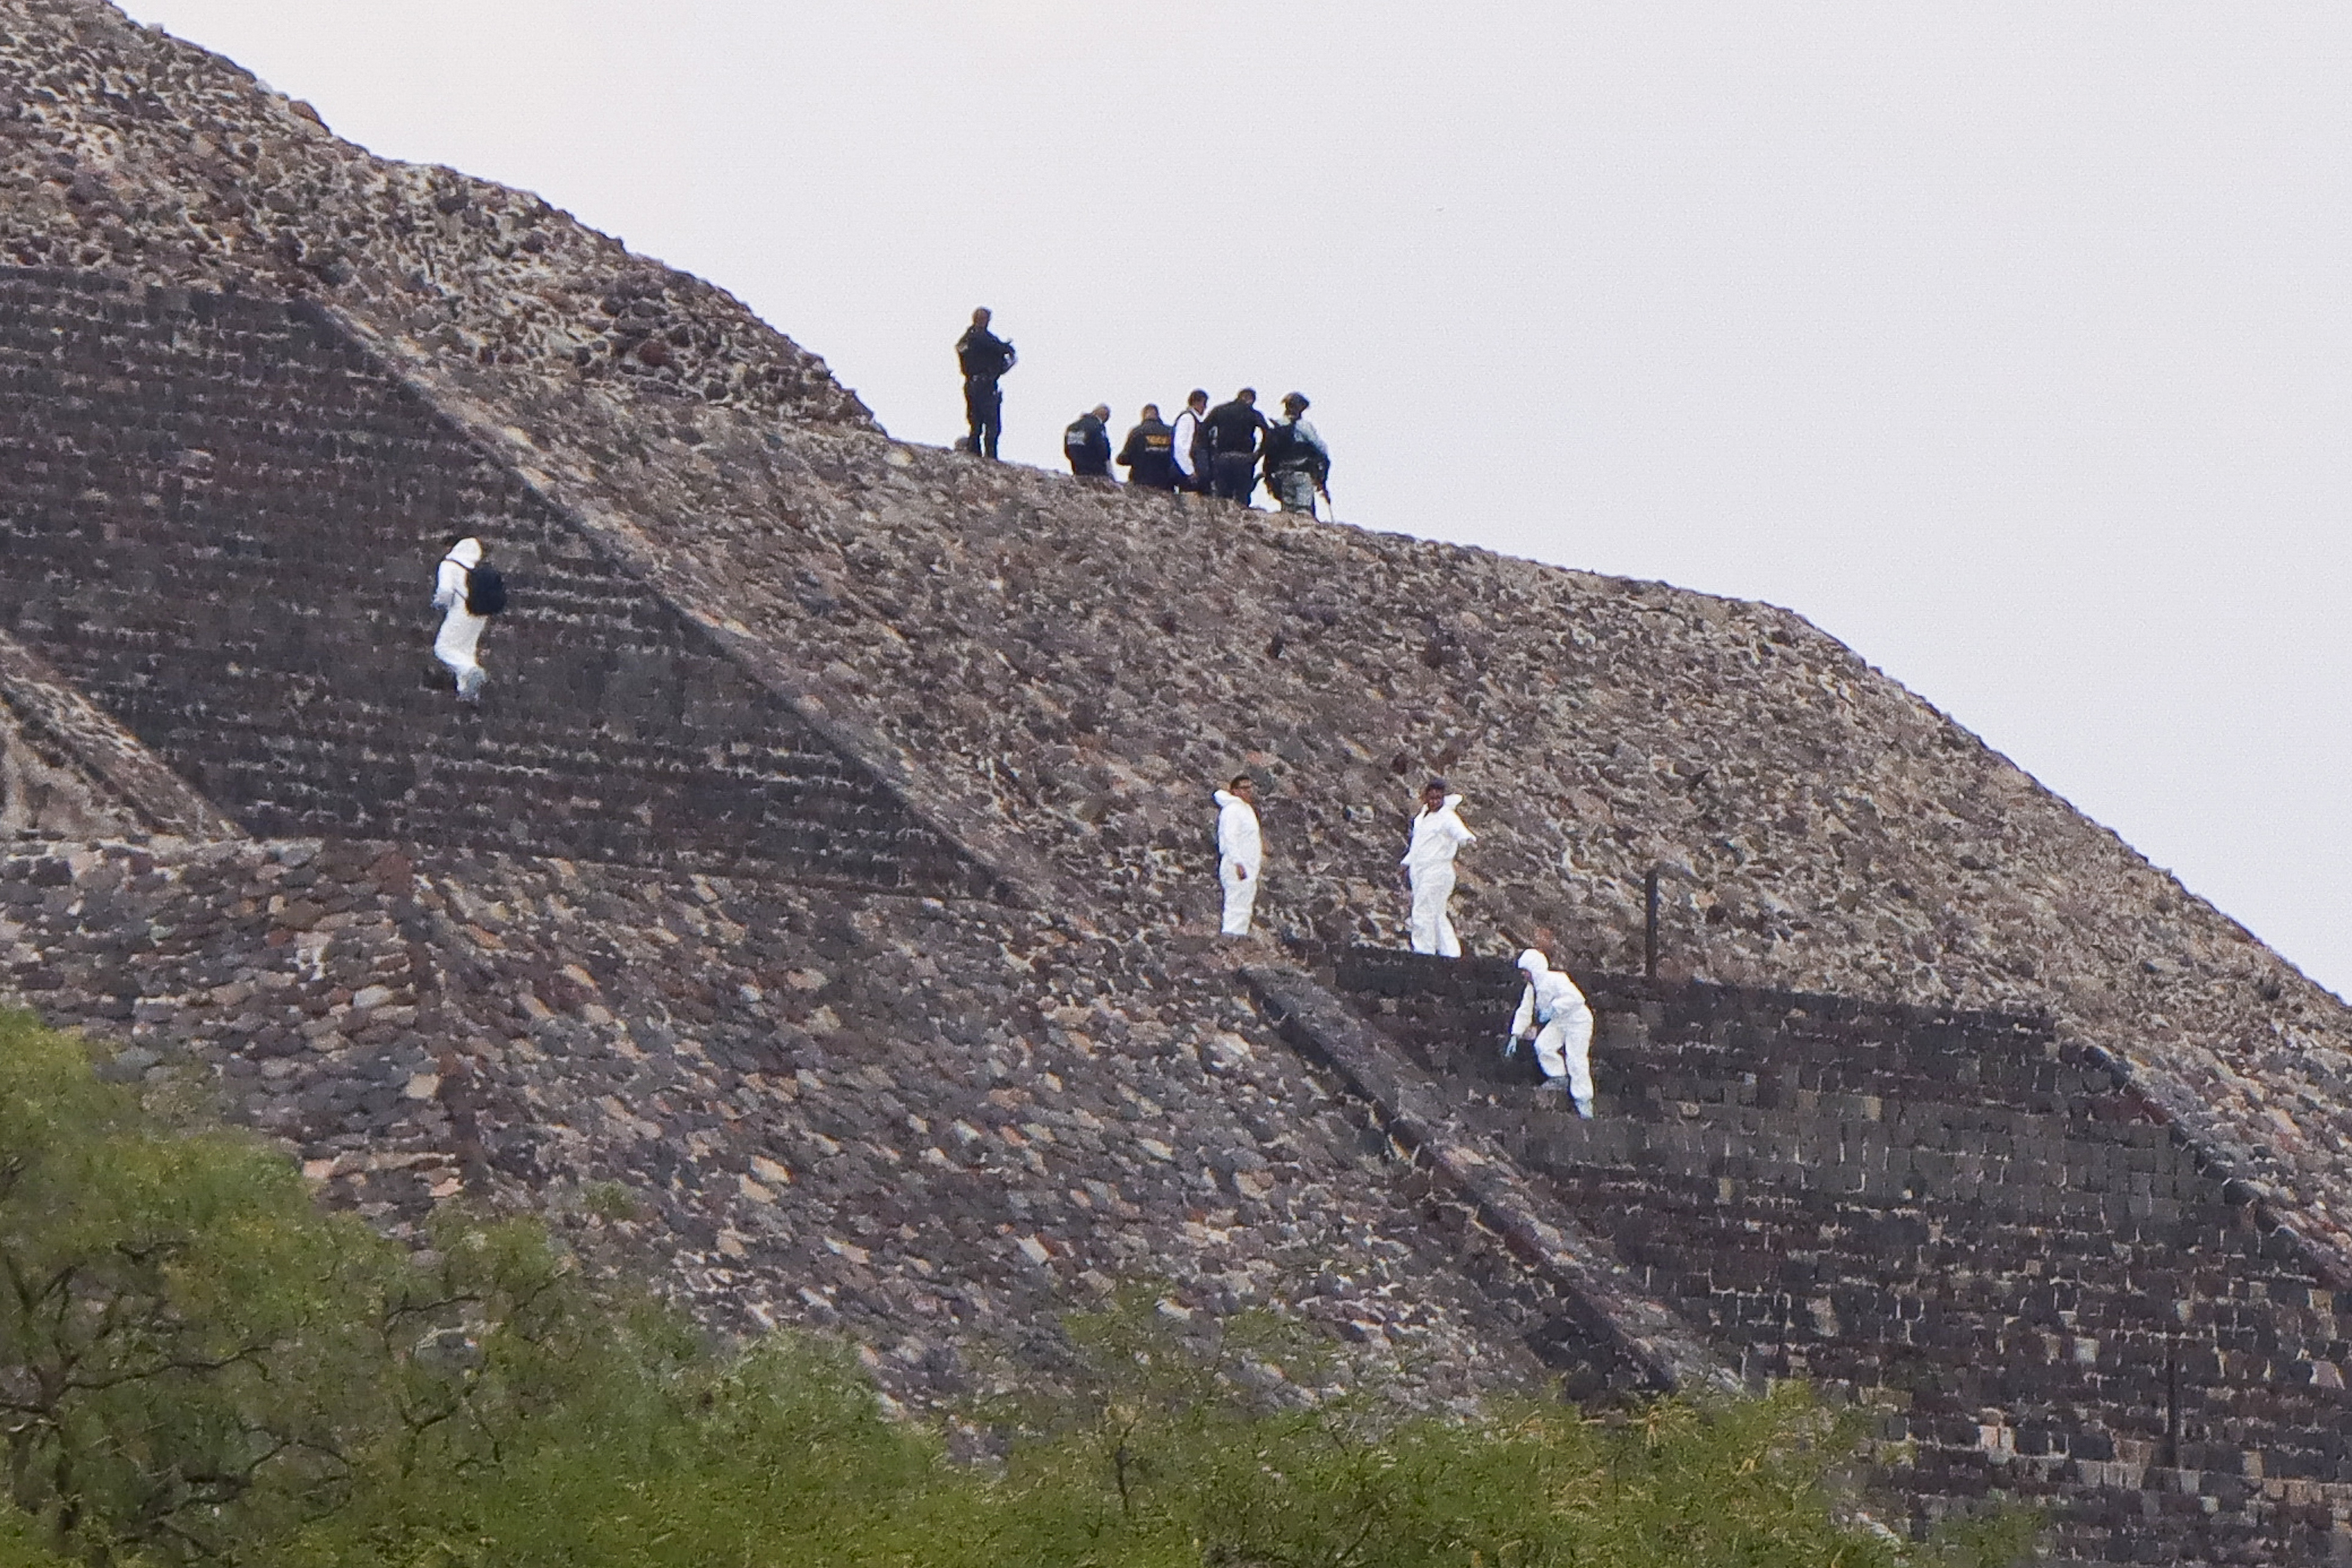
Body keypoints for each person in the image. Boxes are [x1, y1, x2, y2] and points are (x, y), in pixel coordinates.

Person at [1509, 949, 1596, 1116]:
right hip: (1560, 1021)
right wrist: (1516, 1034)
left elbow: (1577, 998)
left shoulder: (1557, 979)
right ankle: (1558, 1076)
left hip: (1578, 1020)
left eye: (1526, 971)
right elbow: (1525, 1010)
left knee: (1576, 1058)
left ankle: (1583, 1099)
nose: (1524, 975)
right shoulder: (1531, 989)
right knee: (1543, 1045)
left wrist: (1553, 1008)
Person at [1400, 779, 1473, 957]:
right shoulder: (1422, 818)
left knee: (1422, 911)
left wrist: (1467, 839)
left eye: (1438, 798)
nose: (1435, 802)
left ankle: (1423, 951)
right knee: (1437, 913)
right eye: (1431, 798)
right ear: (1425, 798)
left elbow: (1459, 831)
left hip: (1438, 871)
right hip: (1420, 871)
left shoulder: (1447, 817)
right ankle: (1450, 953)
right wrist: (1406, 862)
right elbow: (1419, 846)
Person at [431, 535, 500, 701]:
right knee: (466, 650)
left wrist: (438, 604)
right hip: (480, 613)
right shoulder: (473, 572)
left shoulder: (449, 565)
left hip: (461, 610)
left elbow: (445, 592)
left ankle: (470, 671)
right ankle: (468, 692)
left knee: (443, 648)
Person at [954, 307, 1015, 460]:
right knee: (990, 424)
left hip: (971, 384)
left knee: (976, 423)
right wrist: (1007, 349)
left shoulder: (966, 339)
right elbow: (997, 347)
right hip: (984, 385)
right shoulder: (980, 338)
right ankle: (990, 458)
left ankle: (975, 454)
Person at [1262, 392, 1331, 517]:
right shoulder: (1303, 426)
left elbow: (1268, 452)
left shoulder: (1277, 425)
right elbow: (1321, 448)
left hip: (1282, 473)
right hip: (1302, 472)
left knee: (1287, 510)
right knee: (1303, 510)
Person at [1201, 388, 1269, 504]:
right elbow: (1268, 434)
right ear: (1250, 399)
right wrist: (1258, 454)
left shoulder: (1220, 410)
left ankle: (1222, 520)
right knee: (1242, 496)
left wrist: (1210, 453)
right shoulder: (1253, 413)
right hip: (1244, 458)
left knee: (1222, 496)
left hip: (1222, 457)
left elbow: (1203, 430)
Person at [1214, 775, 1263, 937]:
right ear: (1235, 791)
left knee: (1245, 903)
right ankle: (1230, 935)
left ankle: (1240, 936)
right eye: (1244, 788)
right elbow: (1230, 838)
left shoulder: (1246, 809)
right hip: (1236, 864)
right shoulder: (1233, 810)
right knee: (1235, 902)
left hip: (1248, 865)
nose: (1249, 791)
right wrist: (1238, 863)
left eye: (1250, 788)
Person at [1118, 404, 1179, 490]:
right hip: (1166, 484)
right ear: (1158, 415)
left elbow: (1125, 458)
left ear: (1143, 415)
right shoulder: (1171, 432)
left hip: (1141, 483)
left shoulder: (1137, 432)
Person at [1169, 389, 1210, 495]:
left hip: (1192, 471)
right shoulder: (1187, 419)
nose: (1205, 408)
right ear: (1197, 402)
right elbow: (1180, 447)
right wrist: (1190, 471)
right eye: (1204, 404)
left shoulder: (1194, 420)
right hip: (1189, 474)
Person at [1064, 404, 1113, 478]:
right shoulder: (1097, 426)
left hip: (1077, 469)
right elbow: (1102, 449)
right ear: (1105, 416)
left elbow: (1068, 449)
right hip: (1096, 471)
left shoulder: (1072, 427)